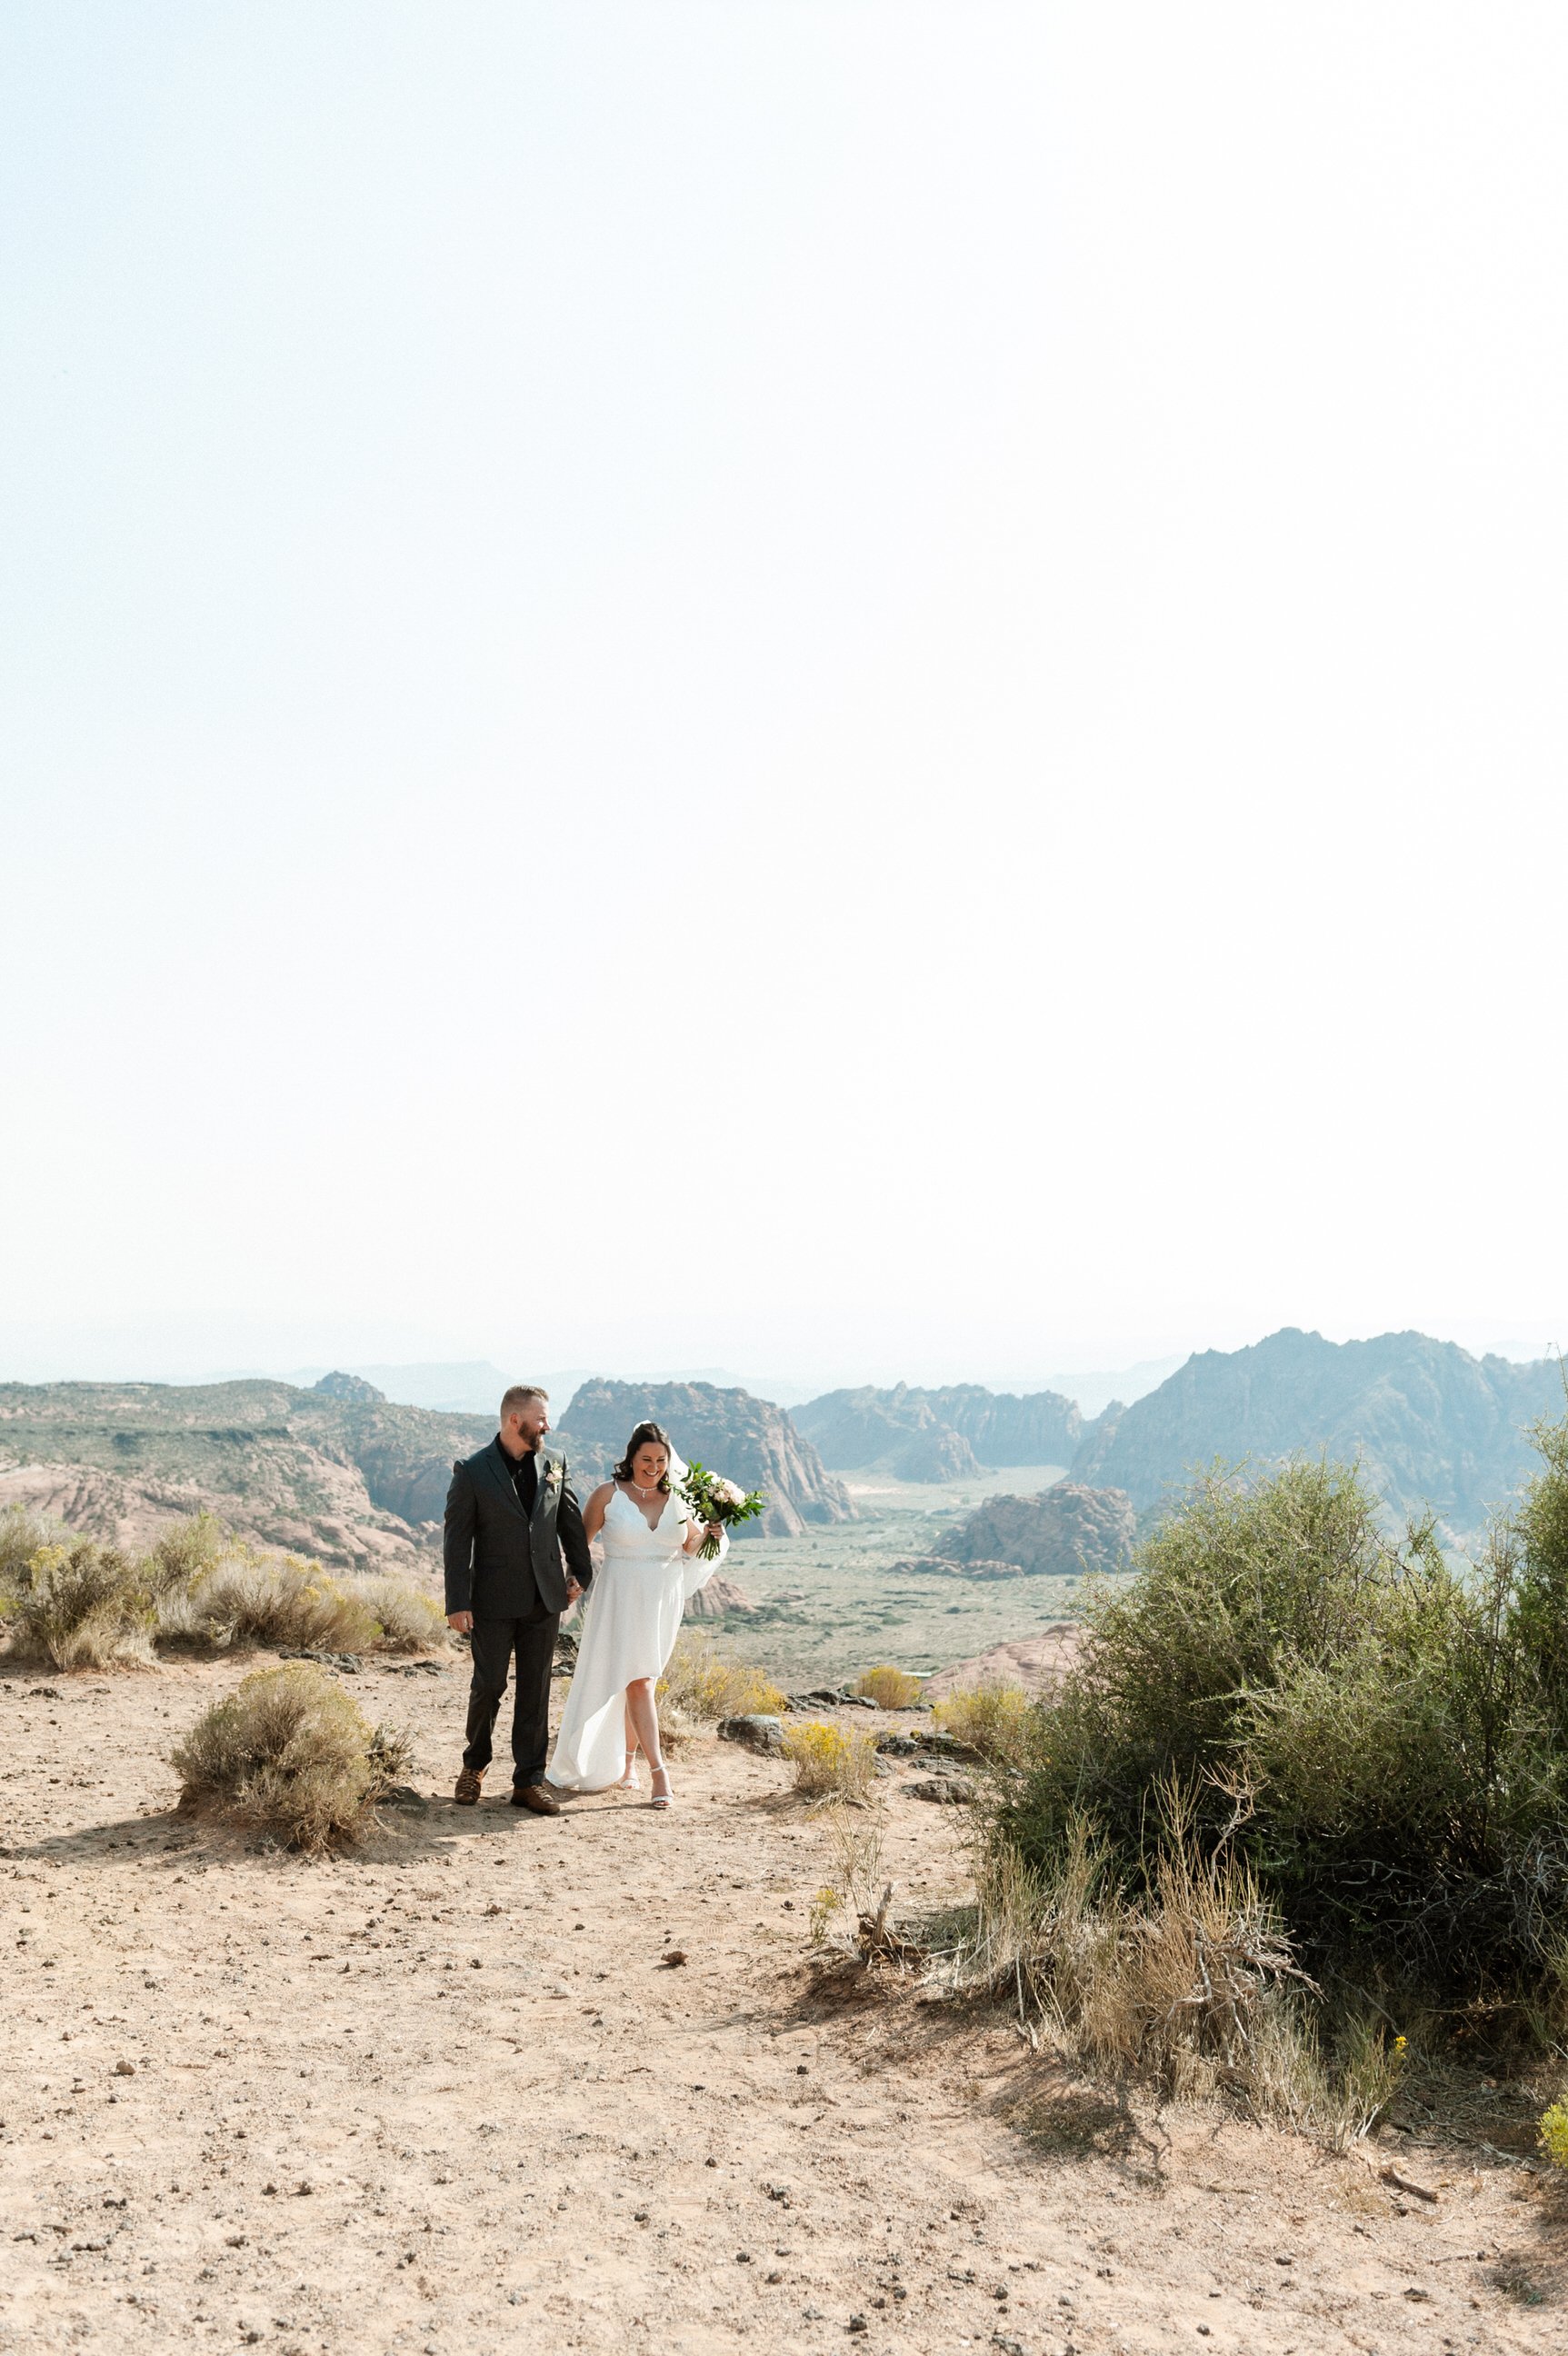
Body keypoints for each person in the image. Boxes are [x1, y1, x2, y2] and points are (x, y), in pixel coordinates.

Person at [545, 1421, 724, 1809]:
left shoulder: (677, 1498)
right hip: (620, 1595)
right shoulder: (607, 1495)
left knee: (642, 1680)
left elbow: (690, 1545)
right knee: (638, 1680)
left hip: (663, 1596)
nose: (654, 1466)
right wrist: (571, 1583)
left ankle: (627, 1766)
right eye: (646, 1459)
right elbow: (579, 1546)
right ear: (631, 1457)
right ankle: (660, 1773)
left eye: (661, 1460)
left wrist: (712, 1534)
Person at [444, 1383, 592, 1816]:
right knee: (488, 1686)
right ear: (515, 1420)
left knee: (536, 1689)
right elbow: (457, 1542)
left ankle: (528, 1781)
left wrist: (580, 1571)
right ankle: (474, 1767)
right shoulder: (472, 1472)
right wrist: (457, 1602)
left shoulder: (555, 1462)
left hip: (544, 1598)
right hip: (490, 1600)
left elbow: (568, 1518)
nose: (547, 1425)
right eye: (540, 1418)